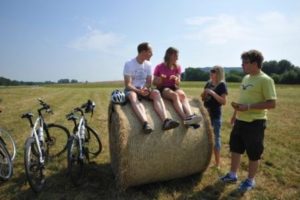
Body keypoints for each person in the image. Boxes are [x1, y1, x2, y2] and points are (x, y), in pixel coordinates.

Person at [220, 50, 277, 193]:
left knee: (253, 153)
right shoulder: (246, 78)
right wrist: (235, 114)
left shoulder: (266, 80)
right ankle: (233, 175)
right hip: (240, 120)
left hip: (255, 122)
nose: (242, 65)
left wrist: (249, 107)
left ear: (255, 63)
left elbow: (272, 103)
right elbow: (242, 100)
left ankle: (250, 181)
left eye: (245, 62)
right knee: (235, 148)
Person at [123, 42, 179, 134]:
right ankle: (145, 123)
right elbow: (127, 84)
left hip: (143, 88)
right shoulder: (129, 64)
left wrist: (145, 89)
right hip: (132, 89)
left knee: (156, 92)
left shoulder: (148, 64)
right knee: (133, 96)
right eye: (150, 52)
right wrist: (138, 91)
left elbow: (149, 82)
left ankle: (166, 121)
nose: (152, 54)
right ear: (143, 52)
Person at [153, 47, 201, 126]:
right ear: (169, 55)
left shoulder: (178, 67)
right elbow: (154, 82)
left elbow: (178, 83)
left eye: (177, 55)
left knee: (182, 95)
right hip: (163, 88)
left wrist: (176, 79)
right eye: (175, 55)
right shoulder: (159, 67)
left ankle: (190, 116)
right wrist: (161, 79)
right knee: (174, 95)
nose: (177, 57)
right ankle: (184, 118)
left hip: (174, 86)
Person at [201, 65, 228, 169]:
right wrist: (204, 94)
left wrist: (212, 93)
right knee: (204, 138)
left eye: (213, 71)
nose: (211, 73)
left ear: (219, 73)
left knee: (216, 138)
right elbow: (203, 98)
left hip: (215, 115)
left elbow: (223, 101)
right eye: (211, 71)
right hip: (206, 114)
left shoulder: (222, 85)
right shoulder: (208, 83)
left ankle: (217, 163)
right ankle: (204, 161)